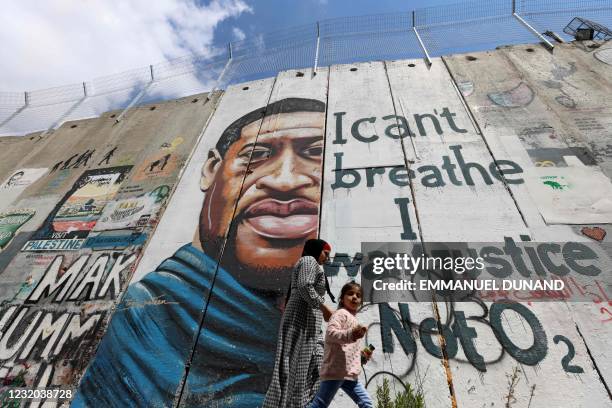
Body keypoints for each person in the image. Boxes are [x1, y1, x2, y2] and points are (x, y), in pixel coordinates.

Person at [73, 98, 327, 407]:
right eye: (257, 155)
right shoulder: (148, 314)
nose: (286, 180)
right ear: (210, 169)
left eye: (315, 153)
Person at [263, 239, 335, 408]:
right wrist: (323, 307)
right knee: (294, 368)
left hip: (308, 323)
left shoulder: (313, 265)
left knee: (312, 366)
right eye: (326, 253)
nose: (327, 258)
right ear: (316, 250)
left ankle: (297, 403)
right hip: (300, 320)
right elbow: (304, 285)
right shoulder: (309, 261)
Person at [307, 281, 374, 408]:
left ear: (361, 302)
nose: (354, 297)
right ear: (342, 299)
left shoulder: (353, 319)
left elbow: (347, 347)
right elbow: (331, 334)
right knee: (319, 405)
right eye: (350, 294)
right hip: (336, 371)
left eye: (358, 295)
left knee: (366, 403)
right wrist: (351, 335)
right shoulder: (340, 314)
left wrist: (360, 357)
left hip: (349, 373)